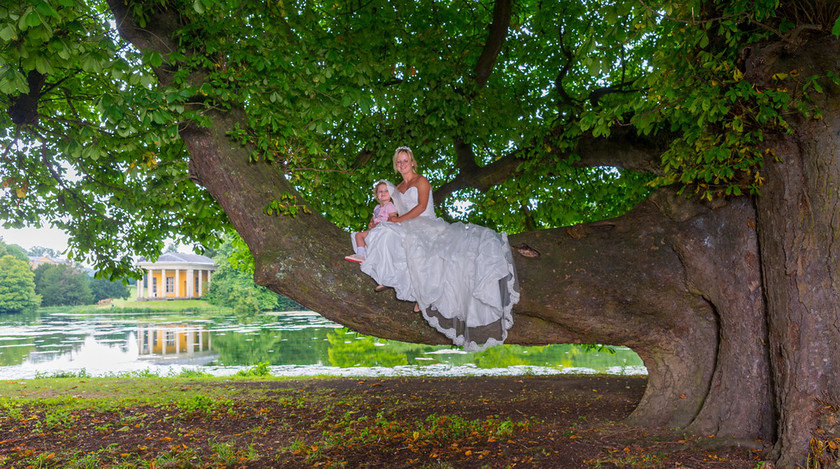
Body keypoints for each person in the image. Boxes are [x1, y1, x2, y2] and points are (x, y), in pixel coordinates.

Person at [354, 146, 519, 351]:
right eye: (399, 162)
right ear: (396, 166)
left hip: (425, 224)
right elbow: (391, 212)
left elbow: (422, 207)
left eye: (406, 160)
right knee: (388, 236)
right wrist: (379, 222)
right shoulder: (396, 188)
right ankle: (388, 277)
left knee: (422, 249)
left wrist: (398, 221)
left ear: (412, 162)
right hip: (406, 225)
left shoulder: (421, 180)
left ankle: (423, 296)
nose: (402, 164)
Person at [345, 181, 397, 263]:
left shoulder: (390, 205)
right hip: (375, 230)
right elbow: (373, 219)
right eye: (380, 191)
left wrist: (382, 224)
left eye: (386, 191)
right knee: (358, 235)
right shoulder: (376, 208)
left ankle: (360, 255)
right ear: (377, 195)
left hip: (383, 230)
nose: (383, 193)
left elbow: (393, 218)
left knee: (359, 235)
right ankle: (361, 254)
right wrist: (371, 224)